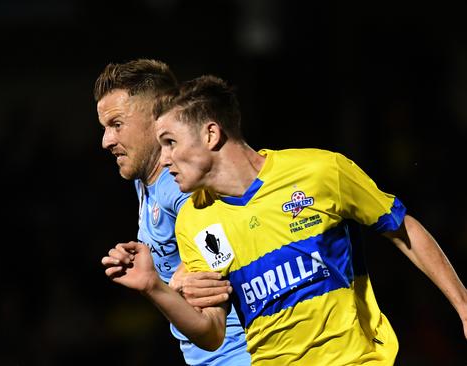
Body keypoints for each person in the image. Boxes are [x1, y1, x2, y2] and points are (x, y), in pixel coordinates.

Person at [101, 75, 467, 365]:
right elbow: (211, 333)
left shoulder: (321, 171)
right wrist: (154, 287)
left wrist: (463, 304)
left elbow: (403, 230)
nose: (164, 160)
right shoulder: (195, 221)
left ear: (211, 134)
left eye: (170, 143)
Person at [94, 60, 250, 365]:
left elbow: (225, 250)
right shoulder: (145, 177)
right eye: (104, 128)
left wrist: (190, 272)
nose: (106, 141)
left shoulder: (182, 187)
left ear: (157, 119)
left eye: (117, 125)